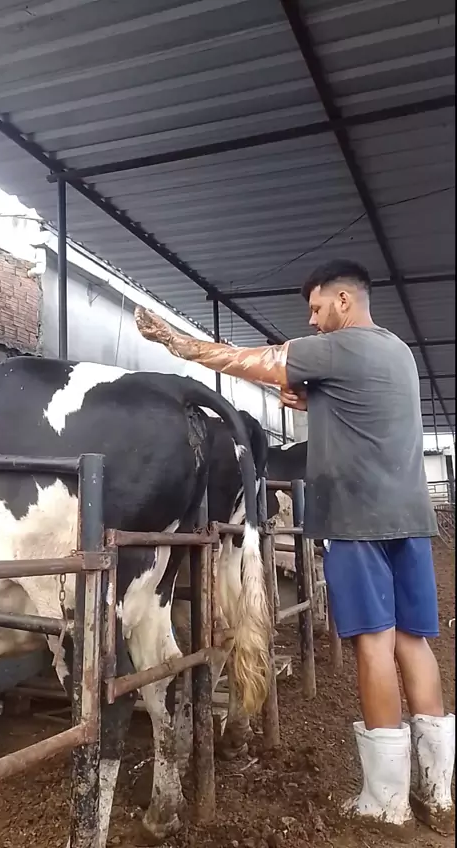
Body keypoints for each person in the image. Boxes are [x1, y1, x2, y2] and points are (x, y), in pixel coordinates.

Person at [135, 259, 454, 833]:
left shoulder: (337, 346)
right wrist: (317, 404)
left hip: (356, 520)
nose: (312, 319)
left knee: (374, 645)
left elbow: (249, 360)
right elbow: (367, 411)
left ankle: (386, 801)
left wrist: (178, 344)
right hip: (410, 520)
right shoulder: (397, 352)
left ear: (344, 301)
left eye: (316, 307)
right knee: (414, 642)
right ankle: (439, 792)